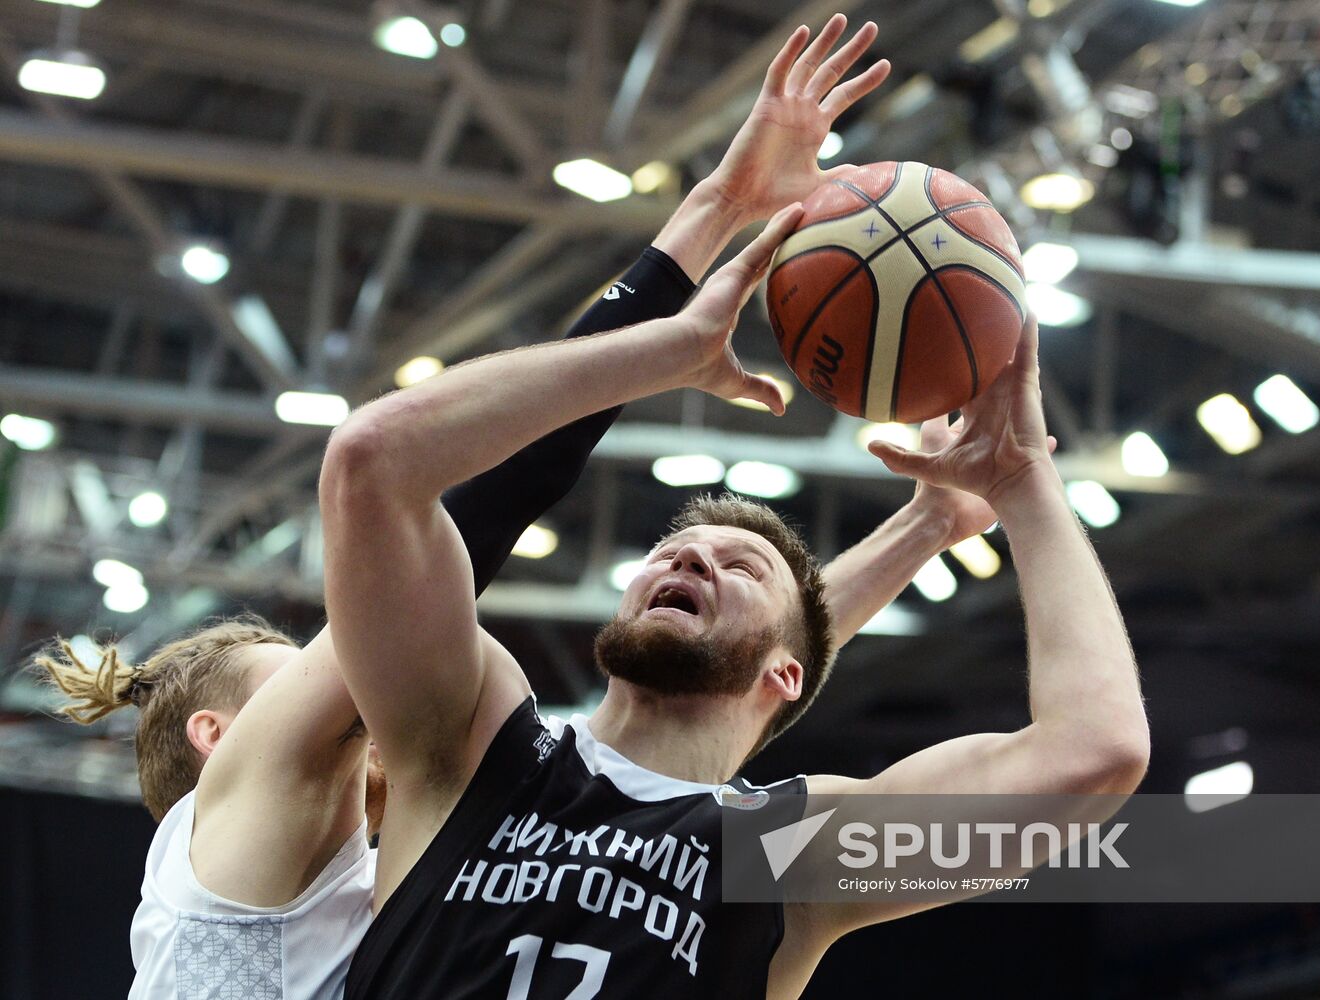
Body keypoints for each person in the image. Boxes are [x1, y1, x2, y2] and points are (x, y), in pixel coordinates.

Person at [32, 15, 978, 999]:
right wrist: (702, 230)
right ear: (223, 740)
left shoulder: (395, 870)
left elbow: (736, 665)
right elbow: (484, 510)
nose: (368, 668)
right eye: (334, 686)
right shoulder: (248, 832)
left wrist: (923, 527)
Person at [322, 209, 1149, 1000]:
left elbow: (1094, 750)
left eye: (742, 566)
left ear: (787, 675)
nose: (688, 555)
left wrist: (1022, 483)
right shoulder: (477, 737)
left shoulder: (782, 852)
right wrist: (664, 351)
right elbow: (371, 463)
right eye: (672, 553)